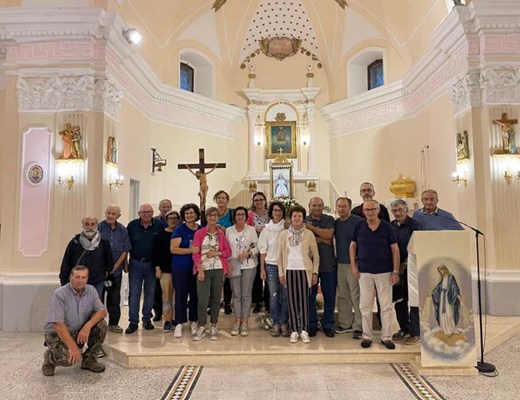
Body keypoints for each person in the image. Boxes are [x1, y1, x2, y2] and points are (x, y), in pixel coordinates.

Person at [350, 200, 400, 350]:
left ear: (378, 210)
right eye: (367, 210)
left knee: (386, 306)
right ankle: (367, 336)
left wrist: (395, 271)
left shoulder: (387, 227)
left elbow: (395, 250)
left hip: (384, 271)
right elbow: (352, 246)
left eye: (372, 209)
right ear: (363, 211)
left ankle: (387, 337)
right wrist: (354, 266)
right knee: (365, 305)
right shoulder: (359, 226)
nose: (370, 212)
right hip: (364, 271)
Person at [42, 266, 107, 376]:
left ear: (87, 278)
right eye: (77, 277)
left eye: (83, 277)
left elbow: (102, 311)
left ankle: (88, 359)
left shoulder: (91, 290)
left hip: (79, 330)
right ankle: (50, 358)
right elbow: (57, 324)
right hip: (57, 334)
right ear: (71, 277)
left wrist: (88, 326)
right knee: (68, 359)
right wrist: (73, 347)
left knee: (101, 325)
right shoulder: (60, 294)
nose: (80, 280)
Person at [278, 205, 320, 344]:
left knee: (304, 302)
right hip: (289, 270)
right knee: (291, 301)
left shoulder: (308, 234)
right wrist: (281, 273)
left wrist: (315, 272)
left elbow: (316, 255)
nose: (297, 218)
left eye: (299, 216)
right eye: (294, 216)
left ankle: (304, 330)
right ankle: (294, 331)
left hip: (304, 271)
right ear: (291, 218)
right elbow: (280, 255)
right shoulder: (284, 234)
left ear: (303, 218)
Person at [192, 207, 232, 341]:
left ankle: (214, 326)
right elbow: (195, 253)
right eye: (210, 215)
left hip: (218, 269)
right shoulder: (199, 233)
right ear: (206, 217)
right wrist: (200, 270)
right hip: (203, 269)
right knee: (203, 300)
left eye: (215, 215)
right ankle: (202, 326)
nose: (213, 218)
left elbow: (228, 252)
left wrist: (217, 253)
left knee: (216, 299)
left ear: (218, 218)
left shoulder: (221, 234)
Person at [125, 204, 163, 334]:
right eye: (144, 212)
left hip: (152, 264)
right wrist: (125, 262)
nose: (146, 214)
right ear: (139, 213)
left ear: (153, 213)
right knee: (134, 294)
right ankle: (133, 322)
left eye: (149, 212)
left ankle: (147, 319)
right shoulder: (132, 225)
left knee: (150, 293)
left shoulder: (159, 225)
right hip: (135, 263)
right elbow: (126, 245)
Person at [390, 199, 422, 345]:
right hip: (396, 270)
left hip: (412, 269)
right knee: (399, 300)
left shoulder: (415, 225)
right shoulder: (391, 226)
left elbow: (418, 247)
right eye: (394, 211)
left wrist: (405, 263)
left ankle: (415, 332)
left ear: (406, 210)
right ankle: (404, 328)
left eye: (400, 210)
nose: (397, 213)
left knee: (413, 301)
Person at [305, 197, 337, 338]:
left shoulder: (329, 219)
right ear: (309, 206)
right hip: (309, 267)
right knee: (310, 297)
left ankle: (328, 324)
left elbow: (329, 235)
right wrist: (322, 239)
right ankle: (312, 324)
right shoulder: (303, 219)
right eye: (314, 205)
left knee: (329, 296)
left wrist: (311, 229)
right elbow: (303, 240)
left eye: (319, 205)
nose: (317, 208)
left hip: (328, 265)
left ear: (323, 206)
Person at [60, 216, 114, 299]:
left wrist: (104, 274)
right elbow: (66, 262)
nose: (90, 227)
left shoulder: (103, 243)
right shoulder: (74, 243)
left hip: (97, 282)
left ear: (96, 226)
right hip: (78, 281)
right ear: (83, 226)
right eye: (87, 224)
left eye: (93, 224)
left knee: (96, 308)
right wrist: (64, 281)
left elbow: (109, 262)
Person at [98, 205, 132, 334]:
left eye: (113, 214)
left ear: (118, 216)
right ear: (105, 213)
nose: (110, 216)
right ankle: (98, 324)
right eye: (109, 213)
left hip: (115, 271)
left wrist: (116, 266)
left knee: (114, 297)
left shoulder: (123, 230)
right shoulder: (99, 228)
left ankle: (113, 323)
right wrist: (105, 267)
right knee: (98, 298)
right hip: (101, 271)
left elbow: (125, 250)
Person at [226, 206, 259, 337]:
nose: (240, 216)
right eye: (237, 214)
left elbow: (258, 247)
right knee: (236, 294)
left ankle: (245, 321)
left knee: (246, 294)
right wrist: (227, 263)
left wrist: (248, 253)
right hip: (233, 264)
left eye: (242, 214)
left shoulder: (251, 230)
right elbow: (225, 247)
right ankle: (237, 321)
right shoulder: (229, 230)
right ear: (234, 216)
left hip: (249, 265)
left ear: (246, 217)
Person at [334, 197, 363, 339]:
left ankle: (359, 326)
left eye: (344, 206)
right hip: (339, 263)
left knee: (356, 295)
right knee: (343, 294)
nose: (341, 209)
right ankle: (345, 324)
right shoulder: (336, 223)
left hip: (354, 264)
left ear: (350, 207)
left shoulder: (358, 221)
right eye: (339, 206)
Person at [171, 203, 202, 338]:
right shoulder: (179, 230)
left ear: (196, 215)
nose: (189, 215)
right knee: (181, 295)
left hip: (196, 268)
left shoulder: (201, 230)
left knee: (195, 295)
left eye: (192, 213)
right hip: (180, 267)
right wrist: (189, 250)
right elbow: (173, 249)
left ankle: (194, 321)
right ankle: (179, 323)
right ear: (183, 216)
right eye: (187, 213)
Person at [259, 201, 290, 337]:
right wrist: (262, 269)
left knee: (285, 295)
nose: (277, 212)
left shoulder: (287, 227)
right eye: (275, 210)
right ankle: (276, 323)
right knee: (273, 296)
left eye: (280, 210)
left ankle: (284, 323)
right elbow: (262, 251)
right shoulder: (266, 229)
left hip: (286, 265)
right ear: (271, 212)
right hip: (271, 265)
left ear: (283, 212)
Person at [153, 210, 180, 332]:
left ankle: (177, 319)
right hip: (165, 271)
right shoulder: (160, 235)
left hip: (180, 269)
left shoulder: (181, 233)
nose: (172, 220)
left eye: (175, 218)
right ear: (166, 220)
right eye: (170, 218)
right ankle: (168, 320)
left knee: (178, 296)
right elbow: (156, 254)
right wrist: (157, 268)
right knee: (167, 296)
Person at [247, 191, 270, 313]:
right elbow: (245, 228)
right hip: (255, 248)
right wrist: (254, 229)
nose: (259, 202)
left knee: (269, 275)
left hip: (269, 248)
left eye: (261, 199)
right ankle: (257, 302)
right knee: (256, 277)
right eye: (256, 200)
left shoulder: (270, 214)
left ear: (265, 201)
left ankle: (268, 301)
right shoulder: (250, 214)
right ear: (253, 202)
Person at [153, 198, 173, 322]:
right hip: (159, 261)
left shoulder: (177, 222)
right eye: (163, 206)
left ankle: (173, 315)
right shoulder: (154, 221)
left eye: (168, 206)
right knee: (157, 289)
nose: (166, 208)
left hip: (174, 261)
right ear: (159, 208)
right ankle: (158, 312)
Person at [214, 190, 234, 315]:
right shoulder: (211, 213)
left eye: (223, 197)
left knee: (227, 277)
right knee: (215, 278)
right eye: (219, 198)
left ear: (227, 200)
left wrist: (224, 229)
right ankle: (215, 303)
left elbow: (236, 229)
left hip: (228, 248)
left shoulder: (231, 213)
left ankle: (227, 303)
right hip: (214, 249)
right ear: (215, 200)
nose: (221, 200)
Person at [429, 265, 462, 335]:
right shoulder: (442, 278)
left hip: (447, 297)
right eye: (439, 271)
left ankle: (451, 328)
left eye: (441, 270)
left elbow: (454, 287)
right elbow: (438, 287)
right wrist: (432, 292)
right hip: (442, 296)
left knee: (448, 312)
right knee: (442, 312)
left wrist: (457, 294)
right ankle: (444, 328)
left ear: (445, 269)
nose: (441, 272)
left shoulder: (451, 277)